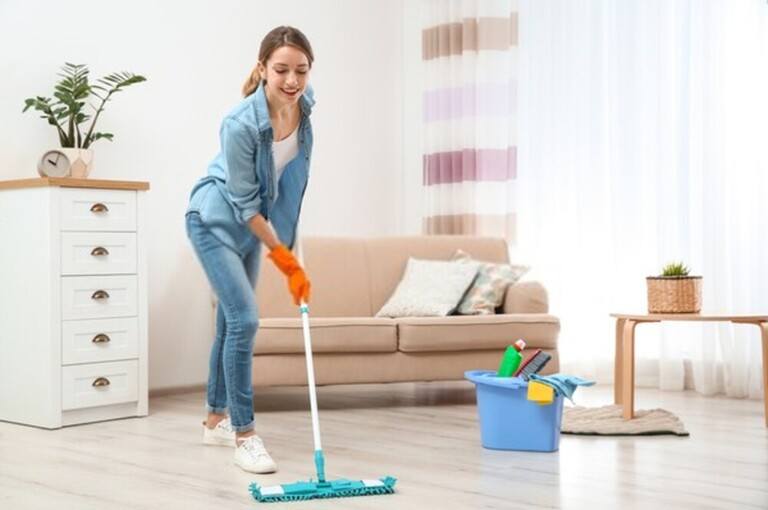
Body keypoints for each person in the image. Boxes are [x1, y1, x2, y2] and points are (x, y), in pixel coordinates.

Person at [185, 25, 315, 474]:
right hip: (215, 222)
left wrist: (290, 242)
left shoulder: (305, 109)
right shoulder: (240, 123)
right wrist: (285, 258)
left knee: (228, 323)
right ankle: (245, 435)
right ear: (262, 69)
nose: (292, 80)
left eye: (301, 70)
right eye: (281, 70)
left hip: (250, 227)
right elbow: (243, 205)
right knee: (245, 319)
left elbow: (289, 179)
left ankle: (214, 419)